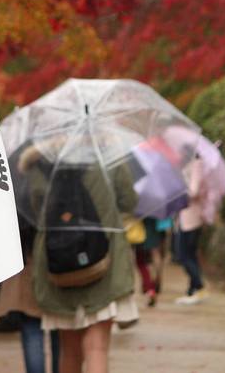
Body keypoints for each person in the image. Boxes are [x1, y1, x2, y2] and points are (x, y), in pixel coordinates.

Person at [20, 142, 139, 373]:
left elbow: (33, 210)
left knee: (70, 350)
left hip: (58, 265)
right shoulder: (107, 152)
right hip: (105, 263)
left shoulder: (37, 161)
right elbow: (129, 200)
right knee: (96, 348)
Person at [0, 218, 60, 373]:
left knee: (32, 330)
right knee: (60, 331)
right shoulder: (57, 195)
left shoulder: (20, 197)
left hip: (26, 264)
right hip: (58, 263)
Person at [175, 154, 208, 305]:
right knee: (190, 254)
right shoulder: (195, 165)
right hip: (189, 217)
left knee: (183, 254)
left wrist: (179, 187)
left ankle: (199, 286)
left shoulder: (197, 164)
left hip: (191, 218)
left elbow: (193, 191)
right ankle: (193, 288)